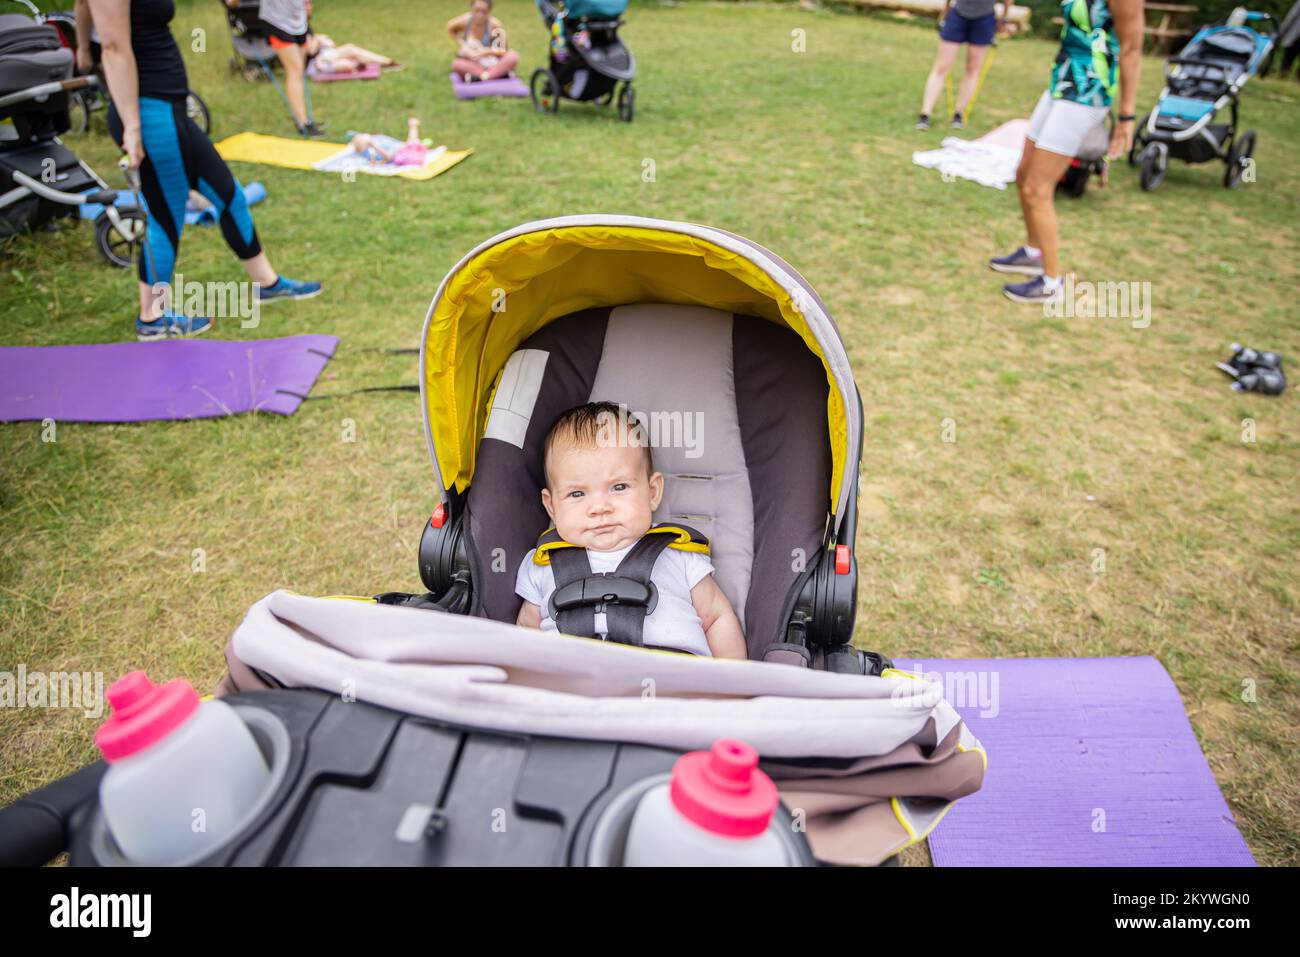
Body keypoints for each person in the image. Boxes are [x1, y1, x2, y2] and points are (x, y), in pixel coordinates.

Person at [79, 0, 322, 340]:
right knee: (166, 214)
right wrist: (132, 127)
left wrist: (81, 53)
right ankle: (152, 317)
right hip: (148, 113)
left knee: (227, 194)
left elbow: (81, 6)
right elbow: (113, 46)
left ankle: (266, 284)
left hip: (170, 107)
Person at [515, 403, 747, 660]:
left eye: (619, 487)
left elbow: (716, 618)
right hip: (569, 686)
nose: (600, 507)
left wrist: (734, 687)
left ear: (653, 492)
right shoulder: (541, 564)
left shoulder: (678, 554)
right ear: (552, 506)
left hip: (672, 683)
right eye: (577, 493)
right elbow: (525, 634)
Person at [989, 0, 1143, 304]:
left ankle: (1052, 282)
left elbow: (1132, 48)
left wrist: (1126, 117)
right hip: (1062, 81)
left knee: (1037, 188)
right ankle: (1034, 253)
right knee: (1023, 174)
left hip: (1088, 91)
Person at [917, 0, 1006, 131]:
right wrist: (945, 12)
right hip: (958, 14)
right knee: (942, 66)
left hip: (984, 18)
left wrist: (1003, 20)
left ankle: (959, 113)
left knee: (973, 68)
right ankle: (925, 113)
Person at [241, 0, 322, 136]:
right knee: (295, 70)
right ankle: (302, 122)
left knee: (299, 70)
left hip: (298, 21)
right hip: (276, 22)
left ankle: (305, 119)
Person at [447, 0, 520, 82]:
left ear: (489, 12)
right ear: (472, 9)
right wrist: (462, 43)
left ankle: (484, 77)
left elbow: (503, 50)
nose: (479, 15)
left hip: (493, 61)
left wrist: (485, 52)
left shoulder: (495, 25)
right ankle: (495, 75)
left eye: (484, 12)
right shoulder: (466, 20)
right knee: (457, 64)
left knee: (513, 56)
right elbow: (450, 28)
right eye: (477, 11)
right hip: (474, 63)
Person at [307, 33, 399, 75]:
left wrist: (320, 39)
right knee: (345, 64)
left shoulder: (305, 26)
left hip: (324, 54)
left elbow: (320, 40)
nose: (309, 7)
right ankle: (355, 66)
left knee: (350, 47)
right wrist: (317, 41)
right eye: (306, 4)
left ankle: (387, 62)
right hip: (316, 62)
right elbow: (310, 51)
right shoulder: (297, 28)